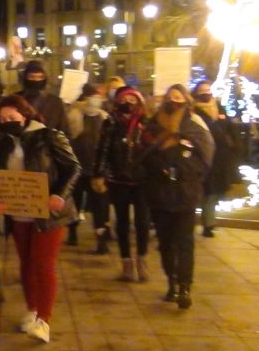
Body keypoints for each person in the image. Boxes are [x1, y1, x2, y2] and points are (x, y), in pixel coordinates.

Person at [0, 94, 81, 343]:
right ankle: (32, 310)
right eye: (3, 118)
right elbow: (0, 175)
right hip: (20, 211)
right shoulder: (5, 144)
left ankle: (44, 319)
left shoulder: (49, 136)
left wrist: (59, 194)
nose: (9, 121)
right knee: (26, 263)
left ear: (25, 114)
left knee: (43, 263)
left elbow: (73, 167)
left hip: (49, 213)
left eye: (13, 116)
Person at [141, 84, 213, 309]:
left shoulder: (194, 127)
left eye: (179, 97)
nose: (175, 101)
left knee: (185, 242)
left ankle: (185, 286)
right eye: (171, 97)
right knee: (165, 243)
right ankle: (171, 280)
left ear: (187, 101)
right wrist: (159, 167)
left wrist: (181, 170)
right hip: (160, 194)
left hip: (185, 194)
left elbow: (203, 159)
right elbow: (143, 155)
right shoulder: (153, 127)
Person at [93, 86, 151, 279]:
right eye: (124, 99)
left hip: (142, 179)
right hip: (119, 178)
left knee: (143, 222)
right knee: (122, 222)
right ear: (118, 101)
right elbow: (103, 148)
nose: (128, 103)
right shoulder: (111, 121)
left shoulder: (146, 122)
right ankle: (126, 261)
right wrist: (99, 173)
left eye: (132, 99)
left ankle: (142, 259)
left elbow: (153, 150)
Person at [191, 81, 241, 238]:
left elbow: (230, 128)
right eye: (202, 91)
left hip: (221, 158)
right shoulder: (194, 111)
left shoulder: (219, 107)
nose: (206, 93)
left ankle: (208, 222)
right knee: (205, 191)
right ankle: (204, 223)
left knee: (215, 191)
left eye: (208, 90)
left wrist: (235, 145)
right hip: (204, 156)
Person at [65, 83, 110, 248]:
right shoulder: (75, 116)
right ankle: (72, 232)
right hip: (78, 168)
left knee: (100, 205)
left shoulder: (104, 117)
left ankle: (101, 238)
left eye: (98, 97)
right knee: (75, 203)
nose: (95, 100)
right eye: (93, 96)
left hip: (98, 170)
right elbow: (68, 140)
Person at [15, 60, 69, 133]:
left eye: (40, 77)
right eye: (32, 77)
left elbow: (64, 128)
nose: (36, 80)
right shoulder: (15, 99)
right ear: (25, 78)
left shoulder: (55, 102)